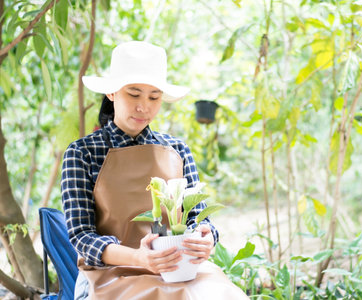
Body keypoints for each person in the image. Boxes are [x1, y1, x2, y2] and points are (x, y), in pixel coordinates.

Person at [61, 41, 248, 299]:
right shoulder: (82, 153)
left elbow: (199, 218)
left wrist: (207, 238)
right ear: (112, 93)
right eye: (134, 94)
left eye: (154, 97)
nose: (144, 107)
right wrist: (140, 258)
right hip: (110, 275)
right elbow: (82, 237)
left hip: (180, 271)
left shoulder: (177, 150)